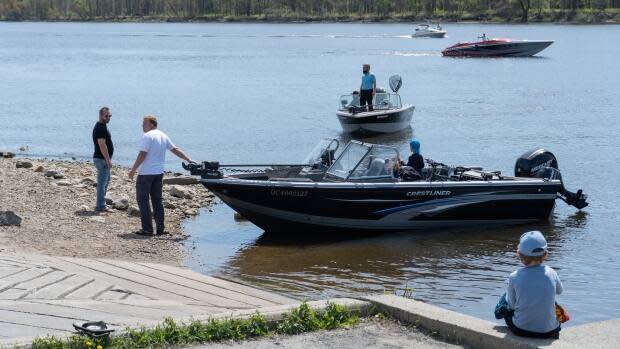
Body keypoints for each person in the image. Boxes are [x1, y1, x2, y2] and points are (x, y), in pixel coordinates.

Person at [128, 115, 195, 236]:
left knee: (143, 201)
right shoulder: (163, 135)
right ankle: (160, 229)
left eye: (144, 123)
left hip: (146, 174)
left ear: (152, 124)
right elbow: (174, 149)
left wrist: (133, 170)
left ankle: (147, 229)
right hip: (158, 174)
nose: (142, 125)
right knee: (157, 201)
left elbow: (142, 154)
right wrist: (188, 159)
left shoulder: (147, 136)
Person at [501, 231, 563, 339]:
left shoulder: (514, 276)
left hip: (521, 329)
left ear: (519, 254)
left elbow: (511, 306)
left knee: (504, 300)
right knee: (552, 301)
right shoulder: (552, 273)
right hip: (549, 331)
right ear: (545, 254)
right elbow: (560, 291)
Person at [92, 107, 113, 212]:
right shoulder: (100, 128)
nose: (108, 118)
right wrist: (108, 160)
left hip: (102, 159)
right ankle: (100, 205)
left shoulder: (102, 126)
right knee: (102, 182)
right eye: (106, 116)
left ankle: (102, 203)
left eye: (109, 116)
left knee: (106, 180)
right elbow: (102, 145)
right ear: (101, 115)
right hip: (101, 159)